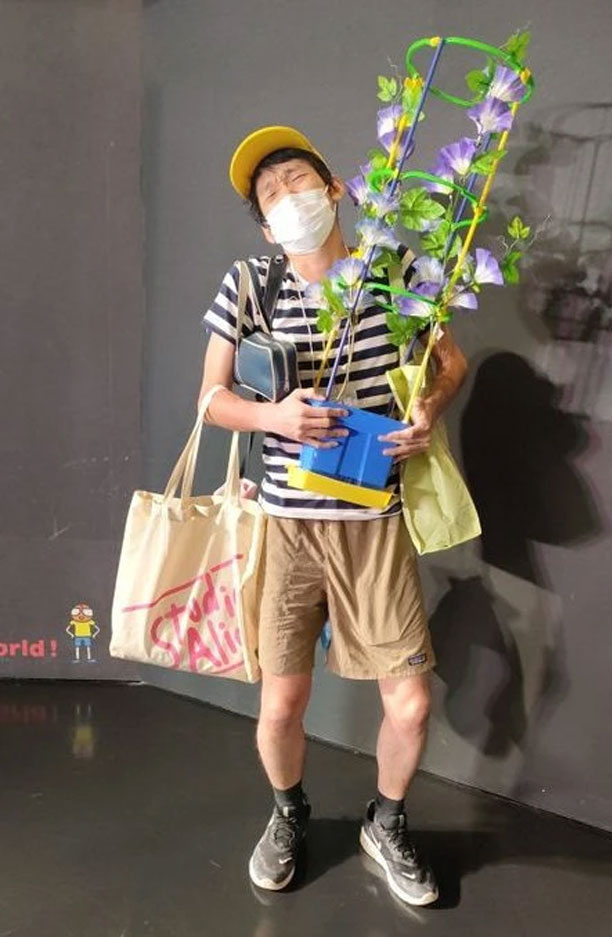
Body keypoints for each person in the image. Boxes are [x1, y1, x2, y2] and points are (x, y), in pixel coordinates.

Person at [197, 125, 467, 907]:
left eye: (296, 180)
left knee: (411, 702)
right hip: (287, 524)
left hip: (373, 522)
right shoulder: (248, 284)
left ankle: (386, 821)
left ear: (337, 189)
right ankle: (289, 813)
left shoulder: (398, 272)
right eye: (271, 194)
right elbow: (211, 401)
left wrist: (426, 416)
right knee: (280, 703)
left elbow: (449, 362)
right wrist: (275, 418)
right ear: (262, 222)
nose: (288, 198)